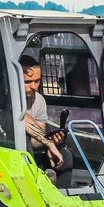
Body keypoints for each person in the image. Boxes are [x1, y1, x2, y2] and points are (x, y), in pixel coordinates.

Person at [19, 55, 73, 187]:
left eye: (37, 81)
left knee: (65, 155)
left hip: (30, 151)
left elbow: (37, 142)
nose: (34, 87)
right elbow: (20, 116)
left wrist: (52, 141)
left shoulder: (39, 100)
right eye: (27, 82)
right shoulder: (5, 97)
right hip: (9, 150)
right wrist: (48, 143)